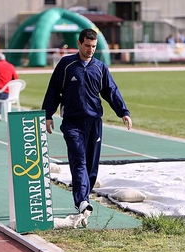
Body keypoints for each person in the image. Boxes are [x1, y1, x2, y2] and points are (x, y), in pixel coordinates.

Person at [41, 28, 132, 223]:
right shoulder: (66, 65)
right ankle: (81, 200)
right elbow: (53, 91)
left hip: (94, 122)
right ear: (79, 44)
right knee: (79, 161)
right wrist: (48, 114)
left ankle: (84, 198)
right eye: (87, 46)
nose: (91, 50)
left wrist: (123, 112)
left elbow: (111, 91)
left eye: (94, 47)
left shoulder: (100, 67)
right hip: (72, 123)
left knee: (91, 165)